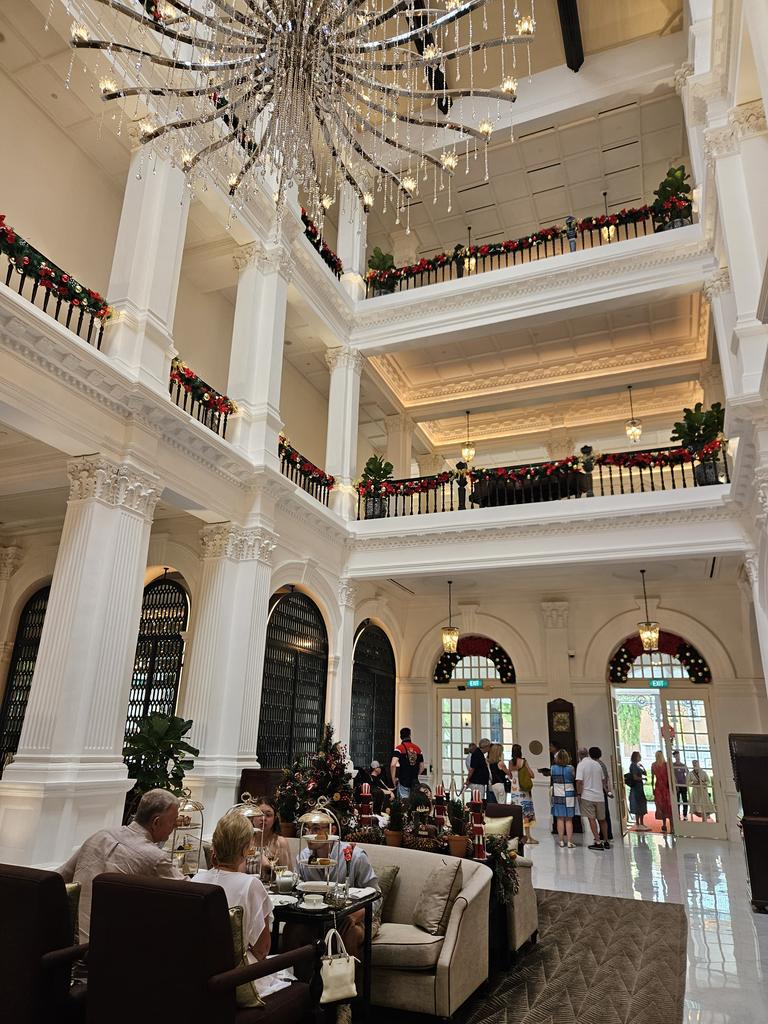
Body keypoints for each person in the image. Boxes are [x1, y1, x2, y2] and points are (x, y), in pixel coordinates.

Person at [57, 788, 183, 942]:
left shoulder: (99, 836)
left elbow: (59, 877)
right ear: (156, 822)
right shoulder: (155, 858)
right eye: (173, 820)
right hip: (113, 948)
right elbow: (191, 895)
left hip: (69, 940)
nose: (175, 826)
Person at [191, 812, 291, 996]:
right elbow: (262, 949)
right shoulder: (250, 885)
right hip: (237, 977)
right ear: (246, 849)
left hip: (198, 972)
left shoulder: (196, 879)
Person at [293, 827, 378, 957]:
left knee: (351, 932)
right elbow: (296, 890)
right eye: (307, 829)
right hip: (318, 919)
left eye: (316, 829)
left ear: (332, 831)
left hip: (356, 917)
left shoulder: (354, 855)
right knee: (292, 930)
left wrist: (354, 915)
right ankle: (297, 977)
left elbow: (376, 896)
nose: (309, 834)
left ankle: (346, 977)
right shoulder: (303, 857)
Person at [576, 746, 611, 850]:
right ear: (587, 754)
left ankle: (597, 841)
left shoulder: (581, 765)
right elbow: (603, 781)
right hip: (600, 796)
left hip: (587, 795)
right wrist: (606, 791)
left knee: (592, 819)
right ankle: (606, 840)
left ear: (579, 755)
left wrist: (578, 794)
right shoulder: (597, 764)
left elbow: (579, 781)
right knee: (602, 819)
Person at [508, 743, 538, 844]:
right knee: (526, 814)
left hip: (514, 790)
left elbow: (510, 777)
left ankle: (517, 836)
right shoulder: (523, 761)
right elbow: (531, 774)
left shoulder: (510, 763)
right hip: (524, 791)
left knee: (516, 813)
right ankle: (528, 837)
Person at [254, 795, 292, 876]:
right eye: (259, 814)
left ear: (274, 819)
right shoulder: (244, 840)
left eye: (268, 815)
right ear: (252, 817)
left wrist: (268, 868)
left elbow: (287, 875)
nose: (263, 818)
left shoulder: (280, 842)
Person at [550, 748, 577, 848]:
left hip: (557, 793)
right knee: (569, 819)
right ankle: (570, 841)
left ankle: (561, 841)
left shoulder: (553, 768)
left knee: (559, 818)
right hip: (569, 794)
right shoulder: (571, 768)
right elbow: (574, 778)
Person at [390, 727, 425, 800]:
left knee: (404, 805)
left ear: (401, 737)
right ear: (410, 735)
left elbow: (393, 764)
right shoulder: (418, 749)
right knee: (413, 804)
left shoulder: (399, 748)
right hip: (415, 782)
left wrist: (393, 779)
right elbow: (422, 767)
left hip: (403, 781)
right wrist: (415, 774)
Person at [651, 751, 674, 833]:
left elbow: (652, 778)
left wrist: (652, 789)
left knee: (661, 807)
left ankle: (664, 825)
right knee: (668, 807)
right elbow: (670, 776)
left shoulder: (654, 765)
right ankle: (672, 827)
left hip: (658, 787)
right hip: (665, 788)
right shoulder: (666, 765)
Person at [627, 751, 649, 830]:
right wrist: (642, 778)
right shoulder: (633, 766)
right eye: (639, 756)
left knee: (641, 803)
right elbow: (635, 777)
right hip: (636, 787)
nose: (640, 757)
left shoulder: (637, 765)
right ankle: (638, 823)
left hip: (639, 787)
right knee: (639, 804)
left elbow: (645, 773)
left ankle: (641, 823)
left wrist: (643, 767)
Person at [672, 750, 689, 821]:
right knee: (677, 800)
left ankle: (685, 815)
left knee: (685, 800)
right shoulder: (673, 765)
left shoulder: (683, 765)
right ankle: (677, 814)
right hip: (676, 785)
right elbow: (672, 775)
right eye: (676, 756)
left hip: (683, 784)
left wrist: (686, 782)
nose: (677, 757)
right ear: (674, 756)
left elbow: (687, 773)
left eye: (678, 755)